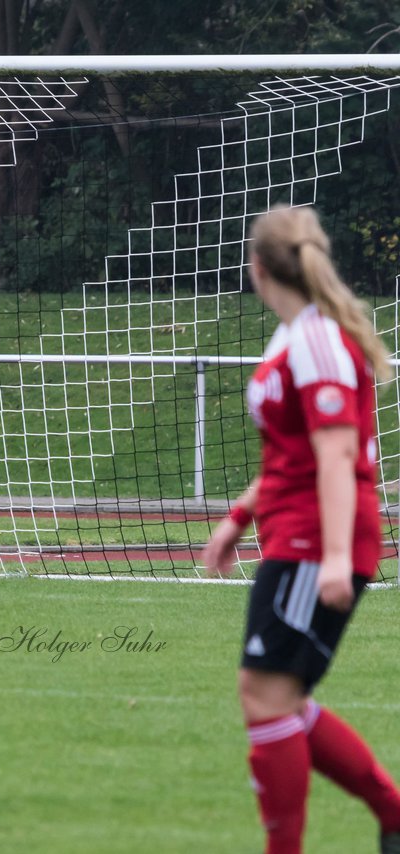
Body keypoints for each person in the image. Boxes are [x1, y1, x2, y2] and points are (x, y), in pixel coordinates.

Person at [203, 205, 400, 854]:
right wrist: (238, 517)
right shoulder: (296, 335)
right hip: (298, 535)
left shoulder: (315, 341)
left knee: (266, 696)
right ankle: (393, 814)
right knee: (275, 698)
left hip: (318, 542)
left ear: (257, 269)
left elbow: (339, 455)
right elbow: (295, 454)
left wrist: (338, 559)